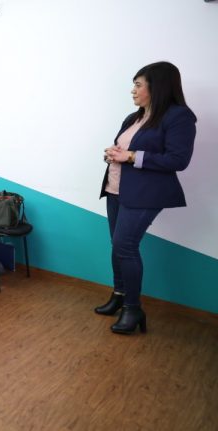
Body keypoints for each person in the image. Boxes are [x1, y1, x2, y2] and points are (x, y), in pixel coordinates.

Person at [97, 61, 197, 334]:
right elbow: (124, 149)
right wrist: (113, 154)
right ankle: (119, 295)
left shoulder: (179, 117)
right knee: (117, 245)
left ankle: (133, 309)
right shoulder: (134, 117)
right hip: (116, 188)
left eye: (138, 85)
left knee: (125, 246)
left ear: (157, 87)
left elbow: (178, 160)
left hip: (145, 193)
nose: (133, 90)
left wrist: (131, 156)